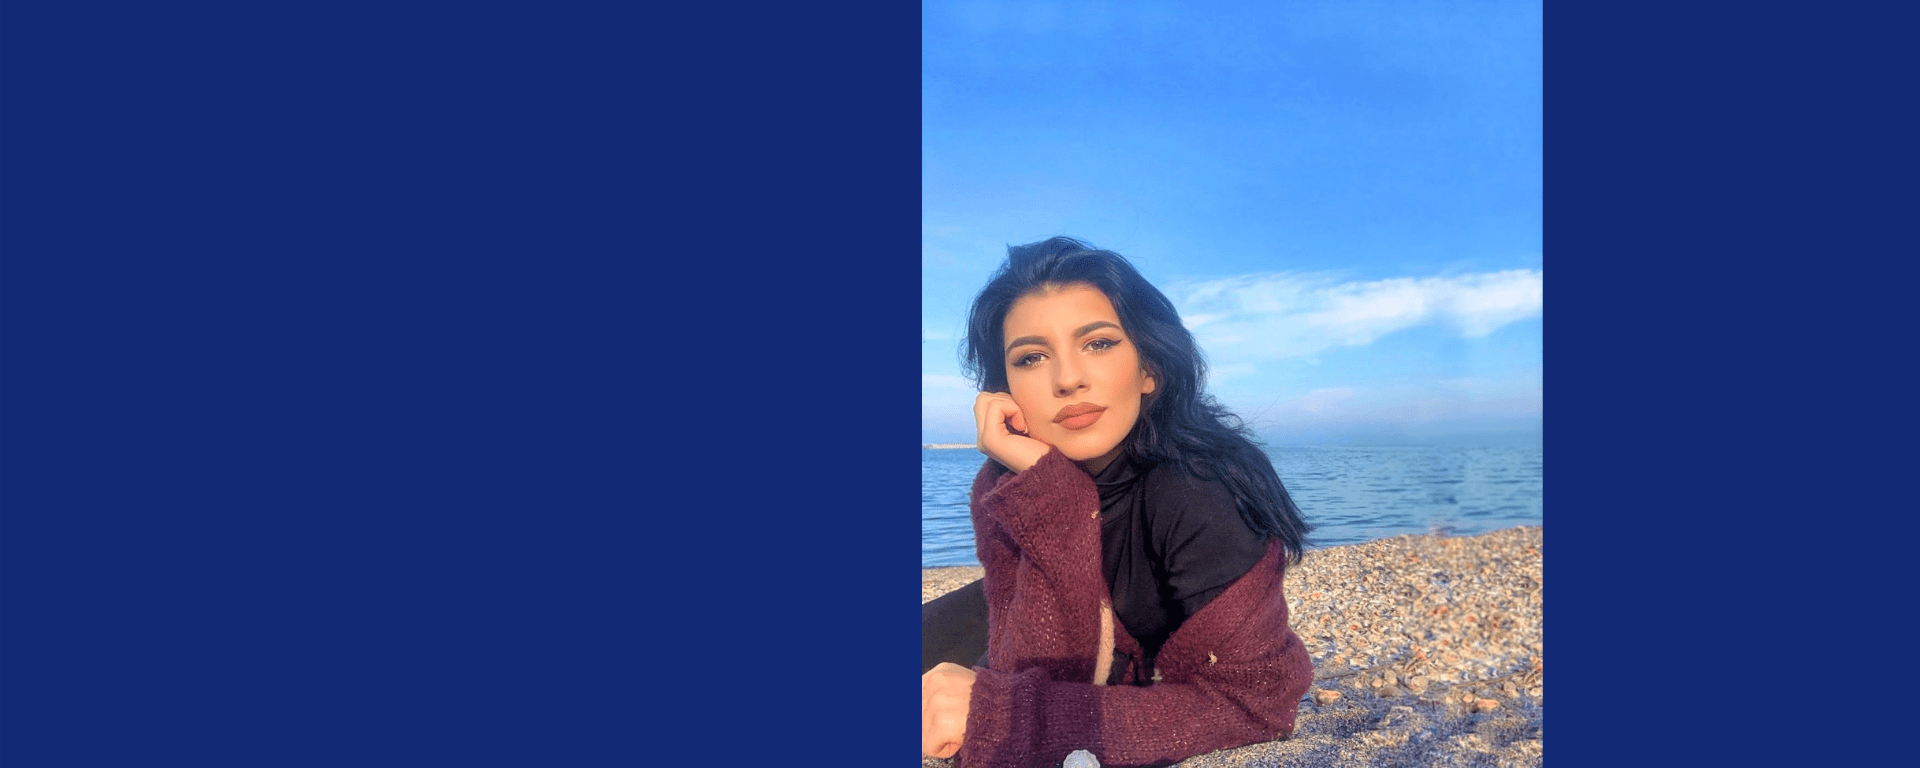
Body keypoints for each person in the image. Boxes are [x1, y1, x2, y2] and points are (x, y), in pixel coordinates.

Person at [921, 237, 1315, 767]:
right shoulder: (1006, 480)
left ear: (1149, 368)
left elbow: (1257, 705)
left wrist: (998, 714)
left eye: (1098, 344)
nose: (1068, 379)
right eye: (1032, 357)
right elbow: (1021, 661)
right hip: (1000, 609)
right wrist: (1046, 490)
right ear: (1004, 390)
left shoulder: (1198, 491)